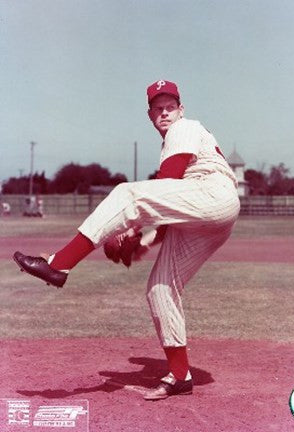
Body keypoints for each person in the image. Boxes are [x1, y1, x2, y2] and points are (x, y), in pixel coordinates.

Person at [13, 80, 240, 400]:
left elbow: (170, 181)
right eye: (158, 108)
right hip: (206, 212)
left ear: (181, 109)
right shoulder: (172, 137)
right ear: (150, 115)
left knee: (127, 194)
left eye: (170, 106)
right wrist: (143, 242)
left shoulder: (184, 128)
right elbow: (171, 205)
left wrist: (131, 232)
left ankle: (59, 264)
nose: (165, 113)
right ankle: (180, 375)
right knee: (161, 287)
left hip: (213, 192)